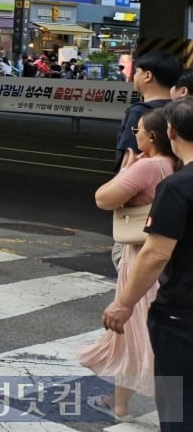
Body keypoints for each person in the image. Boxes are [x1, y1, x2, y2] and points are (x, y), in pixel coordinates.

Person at [79, 108, 176, 422]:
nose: (135, 134)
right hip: (170, 259)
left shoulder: (147, 166)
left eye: (139, 130)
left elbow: (103, 198)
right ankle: (118, 403)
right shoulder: (176, 165)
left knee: (138, 331)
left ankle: (167, 410)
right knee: (138, 333)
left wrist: (125, 170)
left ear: (152, 137)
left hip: (141, 255)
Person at [103, 98, 193, 431]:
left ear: (170, 132)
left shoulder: (176, 187)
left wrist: (123, 304)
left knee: (178, 408)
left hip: (180, 313)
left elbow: (156, 253)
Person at [117, 52, 180, 168]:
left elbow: (130, 156)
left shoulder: (139, 111)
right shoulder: (180, 109)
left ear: (148, 76)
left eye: (136, 72)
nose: (134, 76)